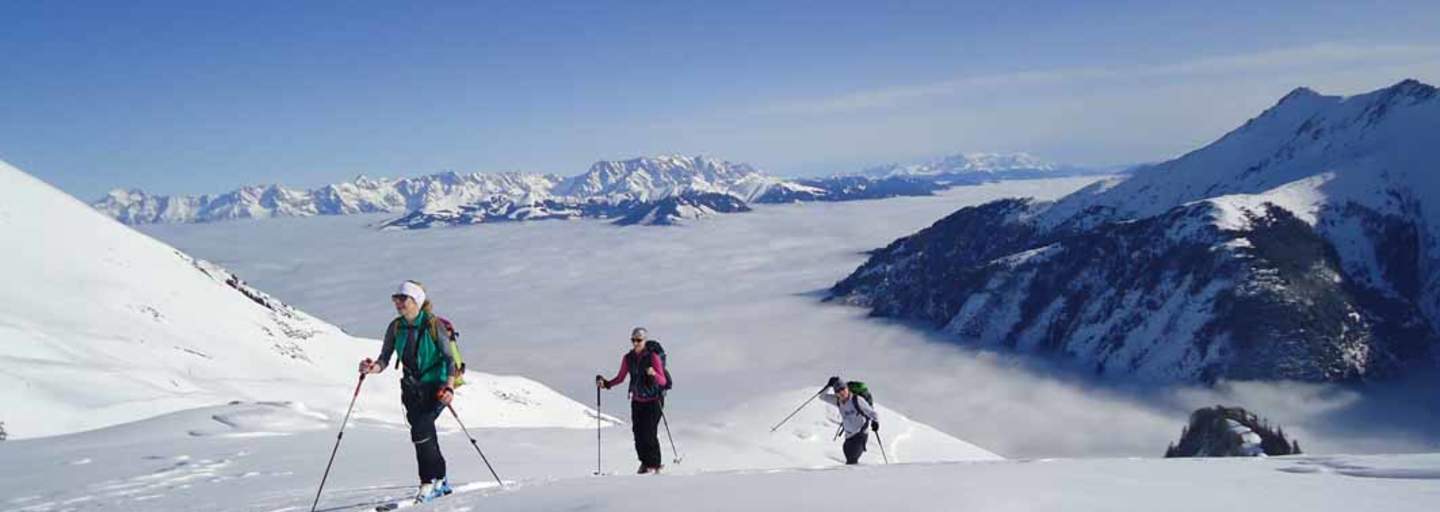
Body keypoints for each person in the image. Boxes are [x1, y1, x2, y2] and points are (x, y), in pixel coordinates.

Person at [359, 281, 459, 503]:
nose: (398, 303)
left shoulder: (434, 325)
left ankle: (427, 483)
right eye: (396, 299)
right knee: (424, 434)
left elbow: (449, 359)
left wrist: (450, 386)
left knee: (421, 430)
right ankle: (441, 479)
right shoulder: (396, 327)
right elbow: (384, 359)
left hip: (437, 388)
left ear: (416, 301)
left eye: (402, 299)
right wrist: (371, 368)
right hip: (412, 389)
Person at [596, 327, 669, 474]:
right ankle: (645, 463)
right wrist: (607, 384)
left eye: (639, 340)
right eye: (633, 340)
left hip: (654, 401)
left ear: (644, 340)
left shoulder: (653, 357)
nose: (635, 343)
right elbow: (621, 377)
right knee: (637, 433)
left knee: (649, 433)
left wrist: (654, 373)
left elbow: (663, 381)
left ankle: (654, 465)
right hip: (637, 401)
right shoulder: (628, 358)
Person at [820, 376, 879, 465]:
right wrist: (829, 386)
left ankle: (856, 477)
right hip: (848, 436)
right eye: (838, 391)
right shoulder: (838, 401)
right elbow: (822, 396)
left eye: (843, 389)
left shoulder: (856, 400)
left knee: (852, 460)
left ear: (847, 389)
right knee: (849, 458)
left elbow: (872, 413)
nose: (841, 392)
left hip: (860, 434)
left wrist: (875, 422)